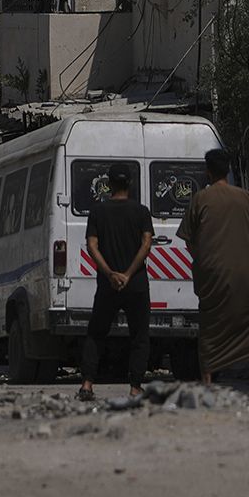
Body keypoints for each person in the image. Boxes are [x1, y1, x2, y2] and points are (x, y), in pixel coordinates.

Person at [177, 148, 249, 393]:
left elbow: (188, 239)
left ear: (208, 172)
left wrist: (203, 260)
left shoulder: (200, 200)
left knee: (211, 325)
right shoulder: (245, 197)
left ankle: (207, 382)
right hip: (246, 274)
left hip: (212, 275)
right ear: (228, 170)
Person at [78, 169, 154, 400]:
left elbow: (92, 245)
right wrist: (129, 274)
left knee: (96, 333)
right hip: (136, 284)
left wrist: (110, 273)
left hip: (107, 285)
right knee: (139, 335)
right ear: (129, 184)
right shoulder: (141, 212)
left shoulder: (98, 212)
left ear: (108, 184)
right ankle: (135, 387)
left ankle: (88, 384)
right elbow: (147, 243)